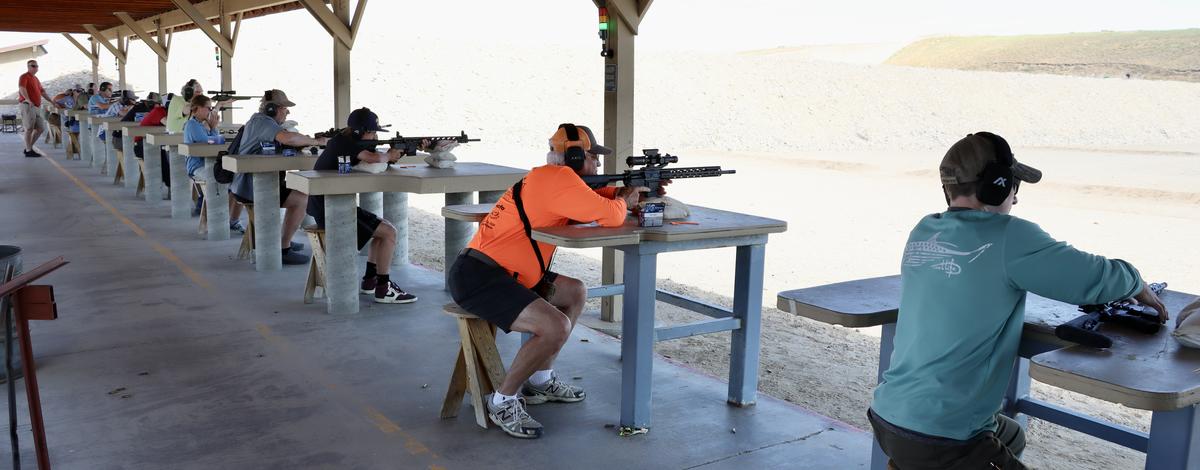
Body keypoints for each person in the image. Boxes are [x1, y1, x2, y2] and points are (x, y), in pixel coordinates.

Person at [867, 132, 1169, 469]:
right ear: (998, 185)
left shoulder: (924, 230)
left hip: (889, 414)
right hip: (945, 435)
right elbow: (1091, 278)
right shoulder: (1008, 235)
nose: (1013, 196)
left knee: (1010, 435)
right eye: (1013, 186)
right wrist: (1135, 280)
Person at [447, 123, 642, 439]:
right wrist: (626, 199)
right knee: (555, 326)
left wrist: (624, 192)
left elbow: (594, 197)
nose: (598, 165)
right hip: (480, 276)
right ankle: (503, 400)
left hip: (510, 274)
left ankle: (540, 379)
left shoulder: (551, 178)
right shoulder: (558, 178)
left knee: (575, 292)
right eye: (594, 157)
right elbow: (612, 215)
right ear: (576, 155)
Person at [308, 108, 416, 303]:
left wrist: (396, 154)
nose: (375, 136)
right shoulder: (344, 142)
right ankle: (384, 288)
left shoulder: (343, 141)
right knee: (389, 233)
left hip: (331, 204)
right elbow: (372, 158)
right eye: (372, 132)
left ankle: (370, 281)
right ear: (359, 132)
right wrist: (388, 155)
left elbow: (374, 157)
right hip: (331, 209)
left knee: (384, 229)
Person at [228, 89, 326, 266]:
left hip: (253, 183)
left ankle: (282, 239)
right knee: (302, 199)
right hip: (252, 187)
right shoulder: (263, 121)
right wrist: (316, 142)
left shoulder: (259, 121)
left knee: (299, 194)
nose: (287, 112)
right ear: (273, 109)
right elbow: (288, 138)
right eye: (284, 108)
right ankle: (283, 247)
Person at [183, 94, 245, 234]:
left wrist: (212, 128)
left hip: (206, 164)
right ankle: (221, 221)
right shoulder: (192, 124)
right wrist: (214, 128)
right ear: (197, 109)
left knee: (236, 179)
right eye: (207, 108)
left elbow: (214, 139)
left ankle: (230, 219)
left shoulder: (199, 124)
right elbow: (211, 142)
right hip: (197, 167)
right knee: (222, 179)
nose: (210, 111)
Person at [135, 95, 171, 188]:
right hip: (141, 145)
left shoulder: (163, 111)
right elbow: (170, 125)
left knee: (167, 157)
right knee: (165, 160)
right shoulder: (159, 111)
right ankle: (171, 186)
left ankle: (171, 186)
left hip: (154, 144)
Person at [17, 59, 49, 157]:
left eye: (36, 66)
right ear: (28, 67)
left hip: (36, 107)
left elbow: (42, 92)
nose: (35, 67)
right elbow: (22, 88)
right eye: (33, 66)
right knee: (29, 128)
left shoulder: (36, 79)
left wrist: (52, 101)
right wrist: (28, 99)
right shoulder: (24, 76)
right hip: (28, 105)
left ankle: (28, 148)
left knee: (40, 128)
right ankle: (29, 149)